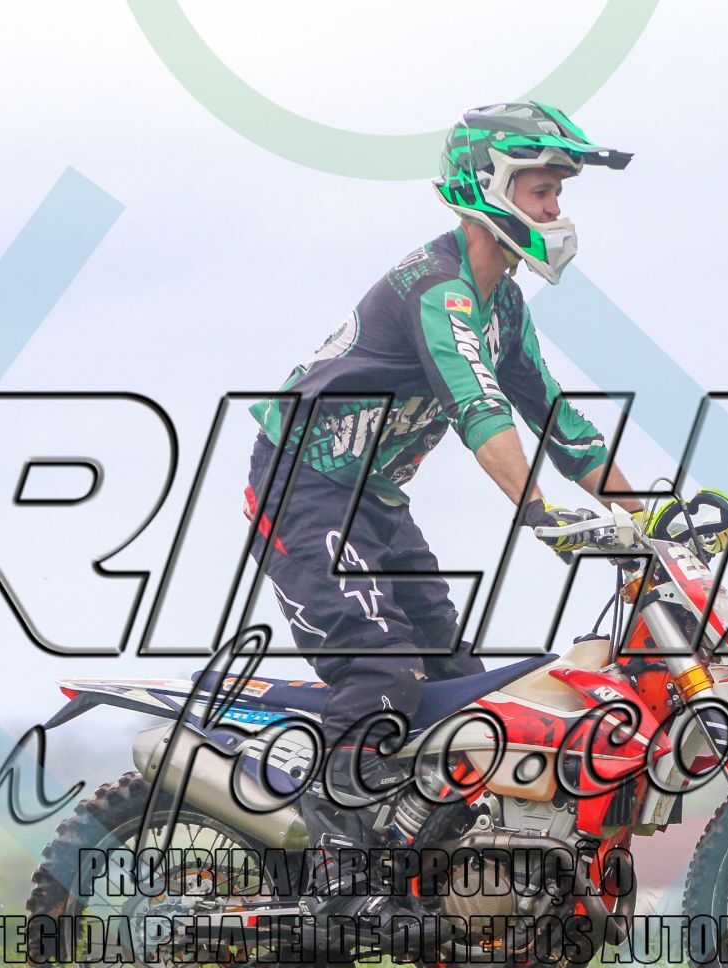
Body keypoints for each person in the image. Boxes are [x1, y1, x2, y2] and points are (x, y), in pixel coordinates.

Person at [243, 100, 648, 896]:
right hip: (305, 489)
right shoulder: (439, 290)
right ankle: (328, 863)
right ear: (490, 188)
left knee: (463, 689)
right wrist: (540, 512)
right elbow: (479, 410)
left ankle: (429, 871)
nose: (556, 209)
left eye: (559, 192)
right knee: (382, 677)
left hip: (375, 501)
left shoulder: (503, 305)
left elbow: (559, 423)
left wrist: (649, 516)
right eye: (542, 190)